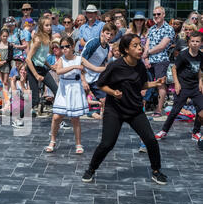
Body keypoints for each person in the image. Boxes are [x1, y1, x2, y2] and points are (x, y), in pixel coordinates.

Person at [82, 34, 168, 185]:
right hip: (114, 110)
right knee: (107, 144)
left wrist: (155, 84)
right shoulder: (115, 66)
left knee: (151, 140)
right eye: (135, 46)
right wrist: (113, 92)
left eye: (139, 45)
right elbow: (101, 84)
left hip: (134, 110)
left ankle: (156, 171)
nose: (140, 48)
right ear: (126, 49)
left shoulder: (140, 65)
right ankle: (91, 169)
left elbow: (141, 85)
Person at [46, 37, 105, 154]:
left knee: (75, 119)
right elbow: (58, 71)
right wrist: (73, 67)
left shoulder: (79, 59)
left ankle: (78, 143)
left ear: (72, 46)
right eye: (62, 47)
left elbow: (95, 68)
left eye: (67, 46)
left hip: (75, 88)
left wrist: (110, 67)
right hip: (64, 89)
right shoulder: (62, 60)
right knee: (56, 117)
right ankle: (52, 140)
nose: (64, 49)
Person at [154, 32, 203, 143]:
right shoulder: (183, 55)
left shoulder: (201, 56)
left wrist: (201, 82)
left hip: (195, 87)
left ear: (201, 43)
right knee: (175, 110)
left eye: (197, 41)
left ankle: (195, 132)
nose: (195, 43)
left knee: (201, 110)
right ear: (189, 42)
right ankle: (164, 131)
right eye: (193, 41)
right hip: (183, 86)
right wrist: (177, 83)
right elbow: (174, 69)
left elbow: (200, 70)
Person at [143, 6, 175, 117]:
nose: (156, 16)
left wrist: (147, 53)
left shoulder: (169, 29)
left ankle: (158, 109)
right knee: (147, 84)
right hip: (150, 60)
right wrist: (146, 58)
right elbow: (147, 44)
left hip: (161, 60)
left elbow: (162, 46)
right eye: (154, 14)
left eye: (158, 14)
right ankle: (145, 106)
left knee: (161, 85)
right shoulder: (151, 29)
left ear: (164, 15)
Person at [82, 23, 117, 116]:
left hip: (95, 79)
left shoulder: (108, 47)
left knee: (104, 99)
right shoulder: (93, 43)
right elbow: (81, 60)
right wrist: (84, 80)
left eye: (112, 34)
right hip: (83, 76)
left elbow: (102, 64)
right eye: (107, 33)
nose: (109, 36)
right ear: (102, 32)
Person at [26, 16, 58, 117]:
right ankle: (17, 115)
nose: (49, 27)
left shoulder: (47, 38)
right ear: (41, 26)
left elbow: (41, 56)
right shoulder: (38, 40)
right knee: (35, 99)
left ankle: (57, 114)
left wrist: (50, 66)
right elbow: (28, 59)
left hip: (41, 68)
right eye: (46, 25)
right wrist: (36, 75)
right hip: (33, 69)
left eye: (50, 25)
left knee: (56, 90)